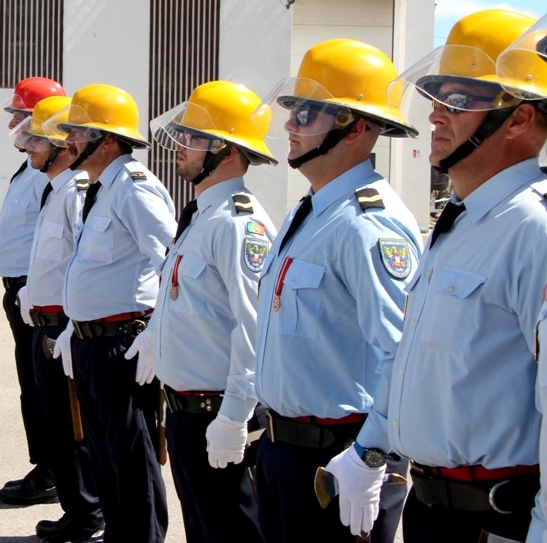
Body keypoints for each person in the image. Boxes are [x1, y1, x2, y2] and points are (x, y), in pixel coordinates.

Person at [386, 10, 546, 542]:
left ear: (519, 119)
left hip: (493, 520)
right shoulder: (461, 220)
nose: (436, 115)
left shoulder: (534, 230)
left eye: (459, 99)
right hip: (432, 509)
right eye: (436, 98)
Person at [253, 38, 421, 542]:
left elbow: (402, 356)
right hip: (284, 450)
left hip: (339, 460)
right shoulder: (310, 212)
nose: (290, 125)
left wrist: (370, 455)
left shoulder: (371, 225)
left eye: (307, 114)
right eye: (294, 111)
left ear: (357, 126)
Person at [130, 80, 277, 542]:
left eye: (193, 138)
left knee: (230, 530)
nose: (182, 146)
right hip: (186, 412)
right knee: (203, 529)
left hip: (216, 415)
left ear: (226, 150)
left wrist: (234, 417)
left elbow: (254, 330)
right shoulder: (202, 215)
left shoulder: (239, 222)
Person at [50, 83, 176, 543]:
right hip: (90, 342)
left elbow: (174, 265)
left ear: (107, 140)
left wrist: (156, 332)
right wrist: (73, 328)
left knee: (131, 458)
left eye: (77, 133)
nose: (68, 142)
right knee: (103, 454)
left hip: (122, 345)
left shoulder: (135, 190)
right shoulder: (101, 189)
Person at [12, 95, 104, 542]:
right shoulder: (56, 188)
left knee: (72, 427)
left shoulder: (77, 190)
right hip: (43, 323)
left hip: (63, 327)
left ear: (61, 149)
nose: (29, 148)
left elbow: (83, 262)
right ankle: (75, 506)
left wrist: (69, 324)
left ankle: (87, 510)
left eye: (37, 142)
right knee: (54, 422)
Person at [0, 77, 66, 506]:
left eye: (22, 115)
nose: (16, 123)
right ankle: (46, 463)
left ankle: (55, 471)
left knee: (45, 388)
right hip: (19, 288)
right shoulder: (30, 166)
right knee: (30, 384)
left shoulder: (52, 173)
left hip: (35, 291)